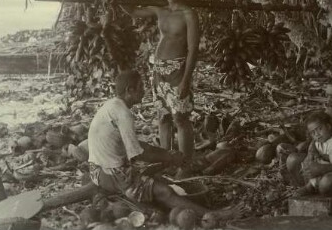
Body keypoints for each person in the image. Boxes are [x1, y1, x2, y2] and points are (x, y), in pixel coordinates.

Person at [88, 70, 241, 222]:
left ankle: (151, 201)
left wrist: (168, 155)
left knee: (157, 176)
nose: (144, 90)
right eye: (141, 86)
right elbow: (139, 154)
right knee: (165, 191)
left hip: (96, 170)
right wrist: (171, 157)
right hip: (109, 174)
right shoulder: (123, 114)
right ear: (130, 90)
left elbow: (138, 146)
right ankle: (213, 215)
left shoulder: (112, 106)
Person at [108, 0, 199, 178]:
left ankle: (185, 165)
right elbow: (133, 12)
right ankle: (168, 160)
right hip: (158, 70)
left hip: (178, 70)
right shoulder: (160, 11)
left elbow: (193, 50)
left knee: (181, 119)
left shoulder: (189, 14)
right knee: (163, 117)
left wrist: (186, 79)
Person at [295, 111, 332, 196]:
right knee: (307, 165)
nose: (317, 134)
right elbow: (313, 153)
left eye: (319, 129)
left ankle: (310, 187)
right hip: (322, 169)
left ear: (328, 127)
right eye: (313, 133)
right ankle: (312, 186)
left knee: (320, 170)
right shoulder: (318, 143)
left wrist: (325, 157)